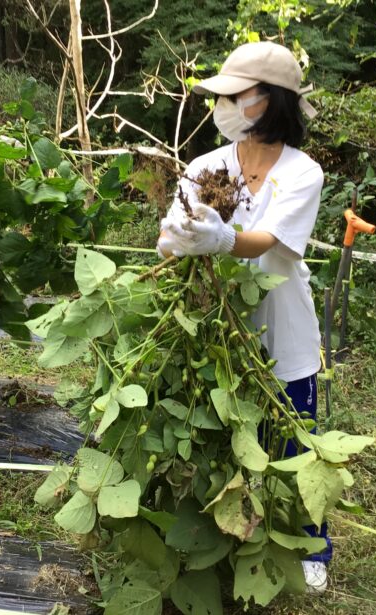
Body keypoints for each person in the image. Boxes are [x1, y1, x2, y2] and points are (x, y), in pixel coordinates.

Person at [157, 42, 330, 593]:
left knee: (295, 440)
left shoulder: (303, 173)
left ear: (269, 100)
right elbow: (172, 234)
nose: (223, 106)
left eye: (234, 96)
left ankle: (312, 543)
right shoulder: (207, 165)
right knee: (227, 432)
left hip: (282, 328)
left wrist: (221, 237)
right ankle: (236, 532)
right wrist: (177, 240)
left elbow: (266, 243)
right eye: (222, 97)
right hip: (216, 323)